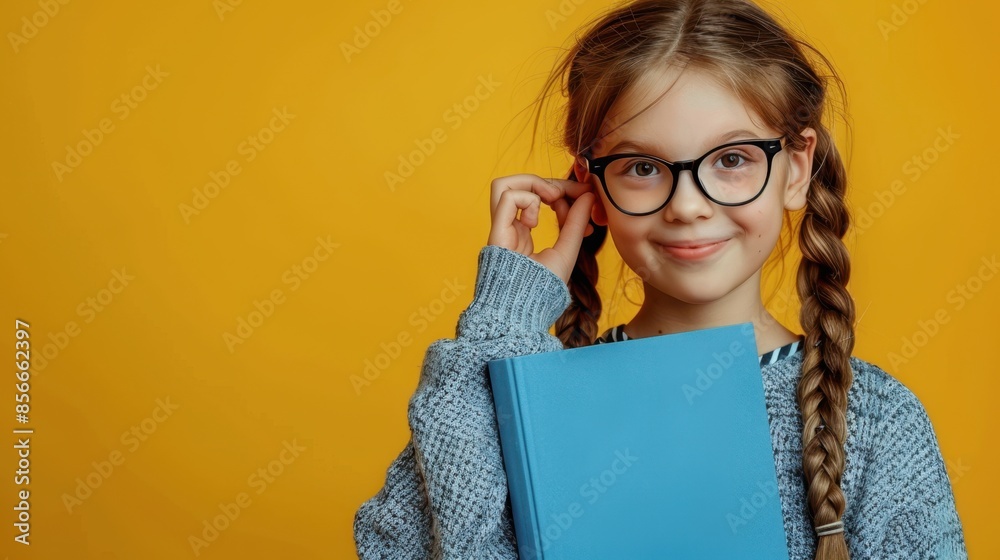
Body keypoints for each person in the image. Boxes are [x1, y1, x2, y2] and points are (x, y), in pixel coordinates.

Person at [353, 0, 969, 558]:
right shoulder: (525, 403)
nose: (688, 204)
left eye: (732, 160)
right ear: (591, 183)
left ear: (796, 169)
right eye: (643, 166)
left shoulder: (876, 422)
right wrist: (504, 320)